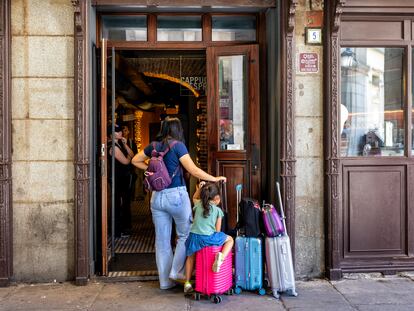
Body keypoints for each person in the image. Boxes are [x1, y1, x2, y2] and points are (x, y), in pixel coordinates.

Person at [131, 116, 226, 290]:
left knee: (162, 241)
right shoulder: (178, 146)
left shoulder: (153, 146)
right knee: (185, 235)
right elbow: (193, 169)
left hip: (156, 198)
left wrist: (152, 170)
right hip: (176, 196)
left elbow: (135, 160)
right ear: (178, 130)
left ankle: (165, 282)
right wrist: (214, 178)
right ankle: (176, 272)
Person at [183, 181, 234, 294]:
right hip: (207, 238)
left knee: (190, 257)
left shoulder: (197, 204)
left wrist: (199, 189)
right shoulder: (218, 211)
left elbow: (194, 197)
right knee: (230, 239)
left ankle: (187, 283)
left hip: (193, 237)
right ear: (217, 198)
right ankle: (220, 258)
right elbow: (217, 231)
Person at [108, 124, 135, 237]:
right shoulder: (113, 147)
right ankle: (117, 231)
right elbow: (126, 161)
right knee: (118, 205)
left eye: (120, 131)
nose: (120, 133)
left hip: (123, 179)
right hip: (117, 179)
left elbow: (133, 154)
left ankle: (122, 229)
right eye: (117, 131)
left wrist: (125, 144)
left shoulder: (120, 144)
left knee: (123, 204)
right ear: (111, 134)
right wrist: (130, 158)